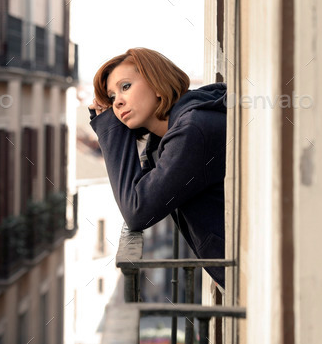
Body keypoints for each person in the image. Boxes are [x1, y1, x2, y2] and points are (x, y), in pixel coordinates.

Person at [88, 47, 227, 287]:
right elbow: (140, 189)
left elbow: (138, 211)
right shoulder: (165, 138)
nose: (118, 102)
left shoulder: (191, 131)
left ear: (157, 82)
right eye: (111, 98)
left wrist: (111, 131)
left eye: (126, 86)